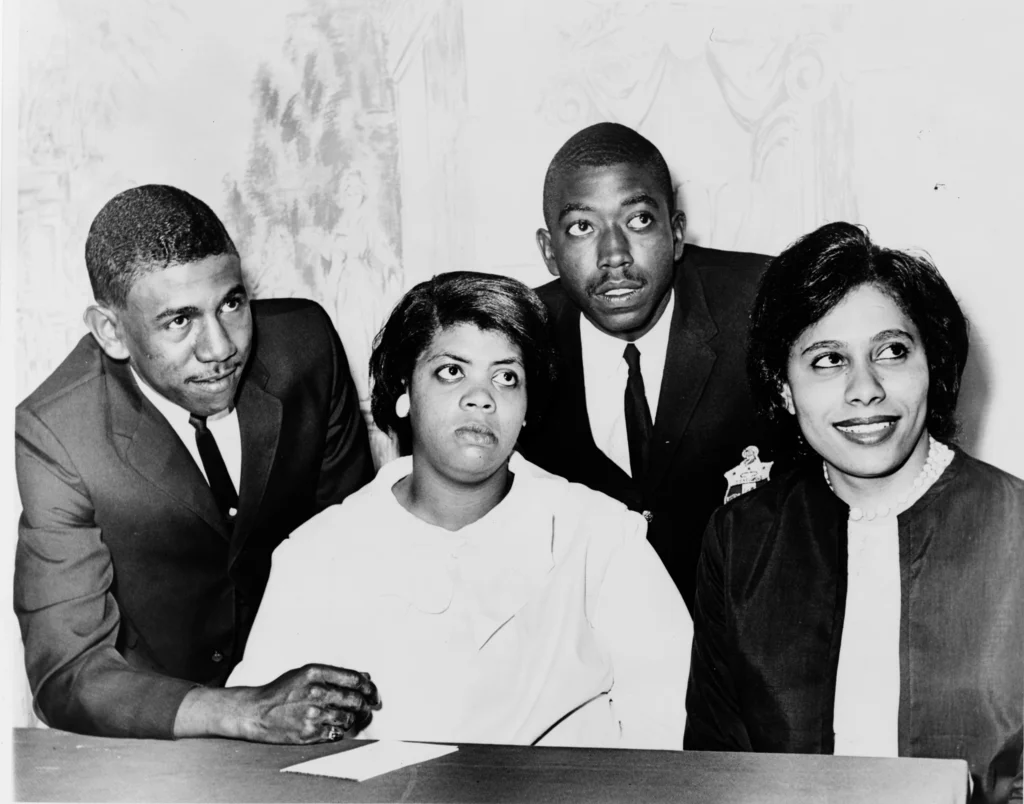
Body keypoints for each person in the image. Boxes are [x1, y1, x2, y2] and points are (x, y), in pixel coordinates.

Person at [228, 271, 692, 748]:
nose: (481, 397)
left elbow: (669, 733)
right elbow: (262, 743)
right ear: (405, 390)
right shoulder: (316, 553)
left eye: (506, 377)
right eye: (452, 371)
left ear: (528, 407)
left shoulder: (602, 537)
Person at [15, 185, 379, 741]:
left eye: (231, 303)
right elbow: (68, 672)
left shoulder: (306, 347)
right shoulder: (58, 430)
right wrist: (243, 711)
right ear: (111, 331)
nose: (219, 348)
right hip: (159, 738)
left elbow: (358, 549)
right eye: (179, 321)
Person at [684, 222, 1023, 804]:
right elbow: (716, 767)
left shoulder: (1015, 529)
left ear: (934, 368)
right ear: (784, 388)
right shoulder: (741, 539)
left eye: (891, 351)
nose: (864, 388)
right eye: (826, 360)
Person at [521, 121, 774, 614]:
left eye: (638, 221)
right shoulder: (517, 339)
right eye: (581, 227)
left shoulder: (763, 306)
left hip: (750, 635)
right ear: (549, 251)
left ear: (676, 233)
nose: (614, 256)